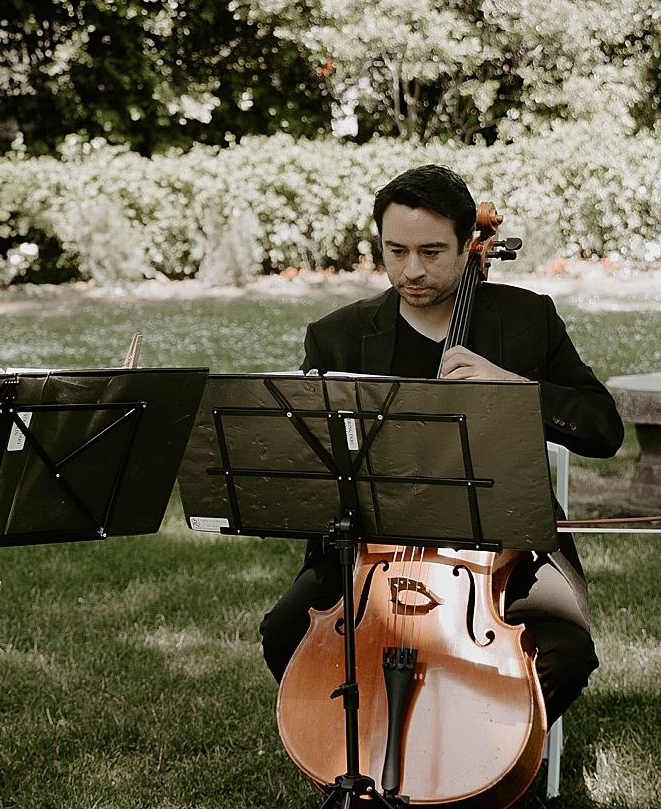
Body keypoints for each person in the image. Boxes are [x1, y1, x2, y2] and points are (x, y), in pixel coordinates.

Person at [258, 164, 625, 727]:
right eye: (395, 251)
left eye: (431, 252)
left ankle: (469, 774)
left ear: (467, 246)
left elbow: (603, 429)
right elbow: (307, 462)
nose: (411, 271)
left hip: (506, 545)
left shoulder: (528, 321)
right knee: (287, 633)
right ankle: (368, 764)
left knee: (564, 650)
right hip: (371, 550)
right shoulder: (339, 336)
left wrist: (514, 388)